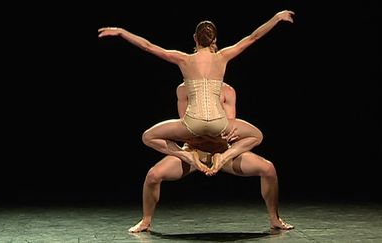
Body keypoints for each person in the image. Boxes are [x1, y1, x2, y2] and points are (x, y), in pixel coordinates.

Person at [98, 10, 295, 172]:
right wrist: (277, 18)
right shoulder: (223, 56)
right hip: (220, 123)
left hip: (192, 123)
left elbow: (149, 47)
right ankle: (225, 156)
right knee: (257, 136)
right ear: (215, 39)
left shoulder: (184, 59)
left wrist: (121, 32)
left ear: (195, 38)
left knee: (148, 137)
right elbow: (253, 37)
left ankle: (186, 155)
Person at [128, 82, 294, 233]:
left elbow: (228, 127)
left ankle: (275, 219)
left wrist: (227, 135)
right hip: (193, 151)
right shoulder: (184, 89)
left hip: (222, 152)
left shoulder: (227, 91)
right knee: (153, 175)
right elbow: (187, 127)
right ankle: (145, 221)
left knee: (268, 168)